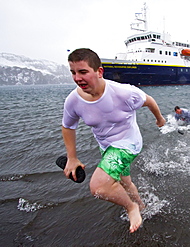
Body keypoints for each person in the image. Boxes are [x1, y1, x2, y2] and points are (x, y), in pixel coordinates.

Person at [61, 48, 166, 233]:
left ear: (99, 72)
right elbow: (68, 126)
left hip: (129, 144)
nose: (77, 78)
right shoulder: (73, 100)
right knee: (125, 182)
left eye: (83, 72)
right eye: (73, 72)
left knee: (99, 187)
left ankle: (131, 207)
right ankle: (141, 206)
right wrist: (72, 157)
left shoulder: (123, 93)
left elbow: (149, 101)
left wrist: (159, 119)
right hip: (107, 147)